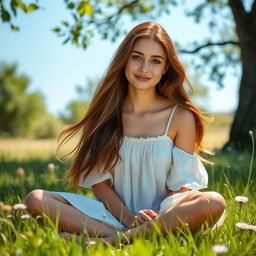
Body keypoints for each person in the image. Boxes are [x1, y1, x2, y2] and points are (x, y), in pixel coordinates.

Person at [25, 22, 226, 244]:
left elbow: (181, 187)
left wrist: (153, 218)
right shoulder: (105, 114)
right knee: (35, 199)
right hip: (112, 216)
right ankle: (128, 235)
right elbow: (99, 185)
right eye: (137, 57)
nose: (144, 68)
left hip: (166, 216)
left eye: (155, 61)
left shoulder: (180, 117)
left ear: (165, 68)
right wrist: (129, 219)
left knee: (214, 202)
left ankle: (113, 241)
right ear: (124, 60)